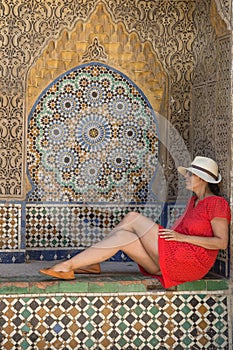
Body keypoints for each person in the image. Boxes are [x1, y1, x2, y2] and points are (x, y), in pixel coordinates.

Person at [40, 156, 231, 288]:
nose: (186, 177)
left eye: (190, 174)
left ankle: (90, 260)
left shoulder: (216, 203)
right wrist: (178, 237)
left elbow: (221, 242)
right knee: (123, 236)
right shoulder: (194, 201)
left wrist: (182, 237)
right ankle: (73, 265)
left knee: (132, 217)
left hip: (190, 262)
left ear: (203, 179)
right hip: (171, 260)